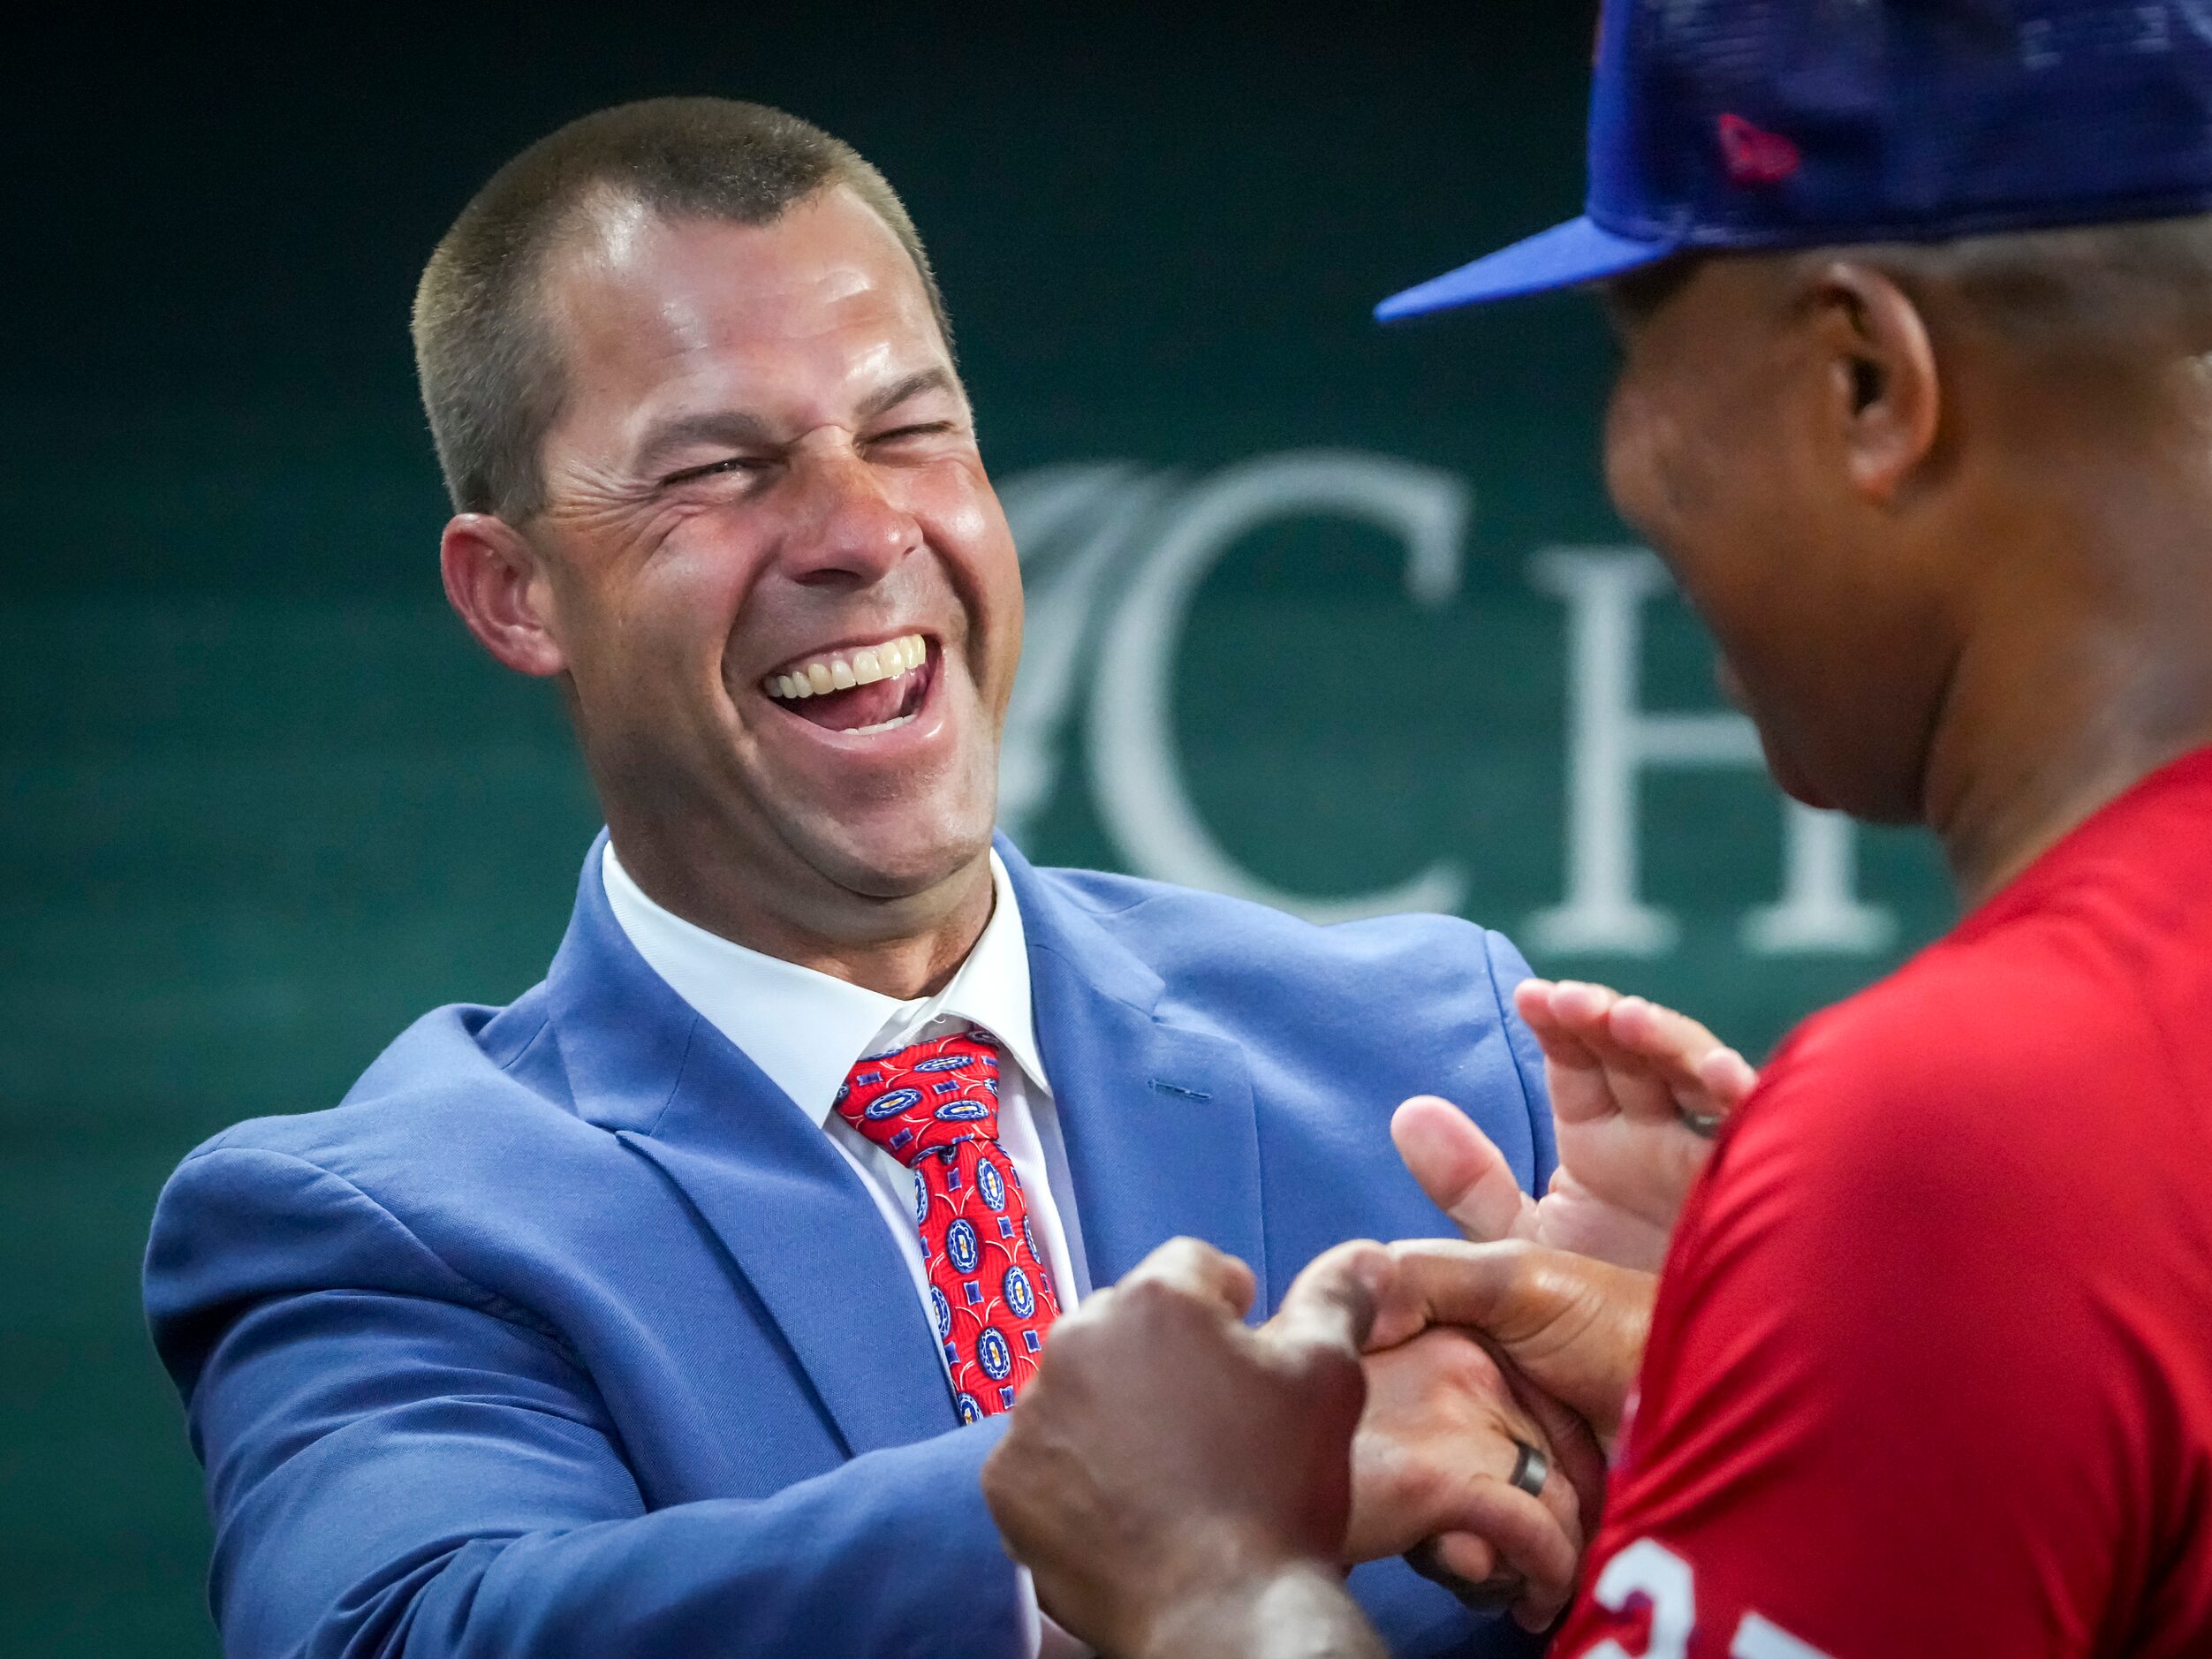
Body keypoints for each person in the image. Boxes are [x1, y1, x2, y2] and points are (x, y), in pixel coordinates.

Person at [980, 2, 2212, 1655]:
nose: (1623, 459)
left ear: (1864, 380)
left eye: (1638, 347)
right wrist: (1778, 1421)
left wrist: (1202, 1572)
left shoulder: (1976, 1139)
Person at [139, 96, 1716, 1658]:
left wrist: (1714, 1429)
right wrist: (1117, 1517)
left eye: (909, 430)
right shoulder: (381, 1224)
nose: (857, 526)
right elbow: (407, 1633)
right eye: (718, 468)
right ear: (513, 592)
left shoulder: (1454, 1063)